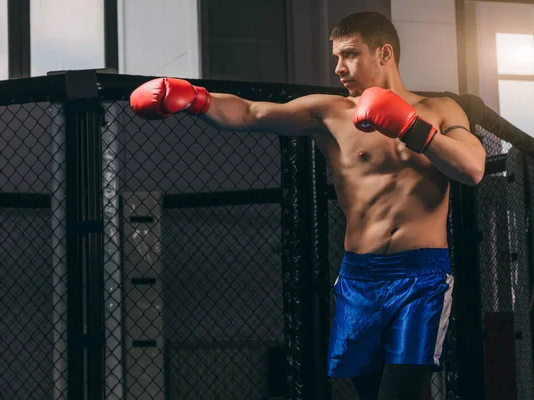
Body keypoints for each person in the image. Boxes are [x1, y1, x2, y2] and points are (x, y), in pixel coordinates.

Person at [129, 11, 486, 400]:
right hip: (359, 276)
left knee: (402, 389)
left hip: (421, 277)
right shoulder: (330, 113)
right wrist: (197, 99)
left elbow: (472, 169)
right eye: (336, 57)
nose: (339, 68)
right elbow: (251, 113)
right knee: (369, 391)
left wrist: (410, 126)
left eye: (350, 54)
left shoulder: (440, 109)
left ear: (384, 54)